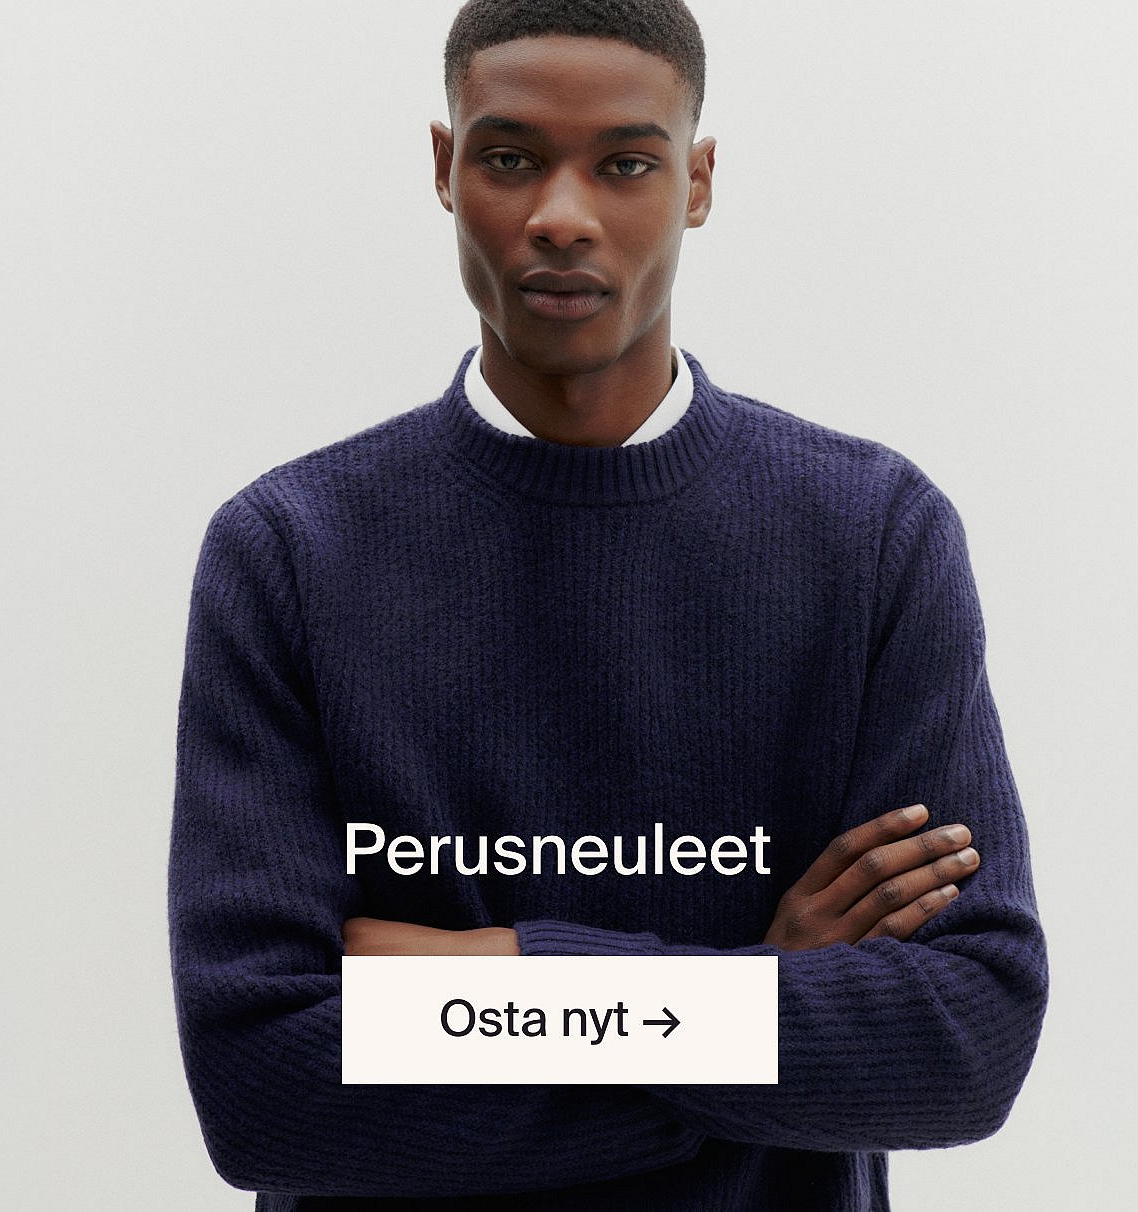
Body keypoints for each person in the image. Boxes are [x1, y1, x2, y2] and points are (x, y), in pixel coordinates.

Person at [169, 1, 1048, 1208]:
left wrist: (501, 969)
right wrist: (751, 997)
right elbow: (262, 1086)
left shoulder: (871, 536)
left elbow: (968, 1039)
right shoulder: (290, 552)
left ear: (697, 182)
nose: (562, 215)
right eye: (510, 158)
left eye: (626, 164)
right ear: (445, 168)